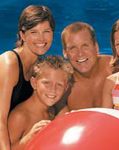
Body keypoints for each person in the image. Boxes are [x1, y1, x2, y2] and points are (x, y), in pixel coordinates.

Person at [0, 5, 55, 150]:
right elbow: (0, 119)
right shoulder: (9, 62)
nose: (41, 38)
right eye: (34, 32)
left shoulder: (40, 66)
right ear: (23, 35)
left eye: (46, 32)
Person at [8, 55, 73, 150]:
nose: (53, 90)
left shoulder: (52, 110)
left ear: (65, 88)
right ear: (34, 83)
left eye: (59, 85)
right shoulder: (20, 116)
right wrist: (29, 137)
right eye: (46, 83)